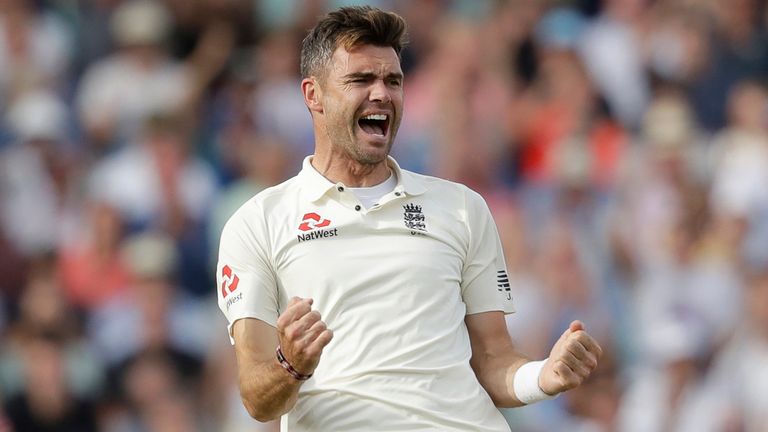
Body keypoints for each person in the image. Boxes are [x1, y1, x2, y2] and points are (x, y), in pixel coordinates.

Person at [216, 6, 602, 431]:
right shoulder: (258, 223)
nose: (381, 93)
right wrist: (290, 363)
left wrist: (543, 376)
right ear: (313, 95)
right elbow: (257, 397)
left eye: (393, 81)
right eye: (361, 80)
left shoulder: (462, 208)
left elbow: (494, 360)